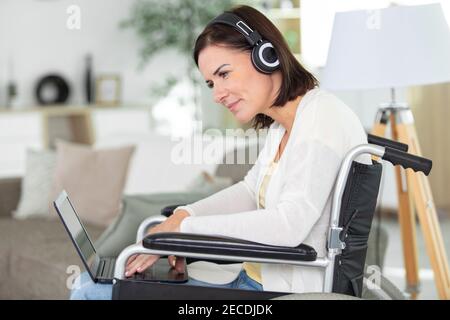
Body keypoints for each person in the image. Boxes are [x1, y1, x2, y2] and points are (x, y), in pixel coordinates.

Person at [70, 5, 371, 299]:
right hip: (251, 278)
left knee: (90, 290)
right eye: (212, 82)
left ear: (267, 55)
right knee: (96, 281)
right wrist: (184, 215)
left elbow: (289, 225)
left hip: (279, 290)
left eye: (224, 74)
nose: (217, 94)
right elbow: (250, 191)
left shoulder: (321, 118)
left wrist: (185, 231)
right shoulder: (283, 126)